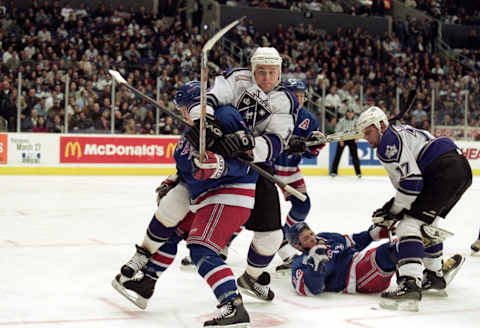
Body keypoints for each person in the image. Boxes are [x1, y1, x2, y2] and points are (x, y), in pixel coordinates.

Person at [113, 81, 257, 327]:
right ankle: (147, 282)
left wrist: (220, 164)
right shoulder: (188, 137)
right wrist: (173, 180)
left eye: (182, 107)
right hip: (204, 197)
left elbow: (248, 161)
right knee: (170, 231)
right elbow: (186, 172)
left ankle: (233, 305)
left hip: (230, 193)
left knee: (201, 250)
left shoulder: (226, 115)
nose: (181, 113)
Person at [187, 47, 302, 301]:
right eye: (261, 72)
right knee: (191, 203)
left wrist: (247, 147)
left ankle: (251, 277)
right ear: (253, 70)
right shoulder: (237, 79)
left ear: (280, 73)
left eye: (272, 72)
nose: (267, 78)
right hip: (220, 155)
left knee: (272, 235)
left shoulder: (285, 100)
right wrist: (204, 124)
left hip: (255, 165)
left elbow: (275, 141)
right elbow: (210, 100)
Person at [356, 106, 472, 310]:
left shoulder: (387, 142)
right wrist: (393, 208)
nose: (366, 137)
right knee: (426, 223)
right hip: (460, 169)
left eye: (368, 131)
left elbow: (412, 183)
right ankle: (434, 275)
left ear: (381, 126)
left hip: (442, 170)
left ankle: (409, 283)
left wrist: (392, 212)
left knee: (408, 227)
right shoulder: (401, 132)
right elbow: (412, 188)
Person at [286, 222, 465, 304]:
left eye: (311, 233)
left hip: (360, 260)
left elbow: (356, 240)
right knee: (390, 250)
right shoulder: (301, 263)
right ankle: (432, 274)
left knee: (403, 245)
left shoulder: (325, 237)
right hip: (356, 278)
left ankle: (432, 272)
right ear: (297, 245)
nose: (312, 238)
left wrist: (379, 230)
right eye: (306, 238)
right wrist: (317, 269)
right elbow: (310, 290)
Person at [273, 78, 325, 272]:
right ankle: (224, 245)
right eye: (295, 96)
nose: (300, 99)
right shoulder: (272, 114)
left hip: (289, 168)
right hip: (267, 167)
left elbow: (311, 153)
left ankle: (284, 237)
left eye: (302, 96)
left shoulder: (309, 119)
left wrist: (314, 145)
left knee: (303, 204)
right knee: (254, 210)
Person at [330, 108, 361, 178]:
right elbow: (337, 130)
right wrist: (340, 140)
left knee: (355, 157)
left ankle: (358, 173)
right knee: (338, 155)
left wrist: (357, 137)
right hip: (343, 139)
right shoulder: (342, 120)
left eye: (351, 113)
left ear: (353, 114)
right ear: (346, 113)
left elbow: (359, 130)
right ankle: (334, 172)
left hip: (352, 139)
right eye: (348, 113)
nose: (350, 114)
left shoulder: (356, 121)